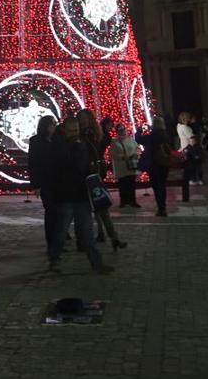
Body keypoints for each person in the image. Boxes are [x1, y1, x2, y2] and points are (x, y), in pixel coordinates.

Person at [47, 117, 113, 273]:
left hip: (81, 194)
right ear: (64, 130)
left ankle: (96, 263)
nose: (74, 134)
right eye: (71, 131)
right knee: (61, 231)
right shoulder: (60, 146)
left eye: (76, 130)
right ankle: (54, 259)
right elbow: (61, 168)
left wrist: (91, 167)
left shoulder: (84, 143)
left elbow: (91, 161)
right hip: (65, 195)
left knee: (87, 231)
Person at [78, 109, 125, 251]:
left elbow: (102, 147)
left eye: (86, 118)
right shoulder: (79, 135)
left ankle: (113, 237)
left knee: (101, 206)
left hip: (94, 174)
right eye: (81, 118)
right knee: (86, 209)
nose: (84, 121)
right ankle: (91, 237)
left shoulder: (96, 134)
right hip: (81, 175)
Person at [28, 115, 60, 252]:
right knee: (50, 211)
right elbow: (33, 163)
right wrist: (36, 185)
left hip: (58, 182)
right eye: (52, 124)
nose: (54, 126)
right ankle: (51, 242)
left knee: (58, 213)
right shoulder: (36, 141)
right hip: (45, 182)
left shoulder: (57, 140)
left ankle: (58, 241)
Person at [141, 119, 174, 217]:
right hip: (164, 163)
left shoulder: (152, 135)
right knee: (162, 186)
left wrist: (140, 131)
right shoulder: (165, 134)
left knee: (156, 186)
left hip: (154, 164)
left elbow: (139, 139)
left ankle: (161, 208)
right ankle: (163, 207)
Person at [109, 124, 141, 207]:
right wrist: (122, 157)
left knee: (131, 184)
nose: (122, 131)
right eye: (120, 130)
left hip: (131, 166)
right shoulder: (114, 141)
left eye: (123, 129)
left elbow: (138, 148)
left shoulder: (130, 139)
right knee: (123, 185)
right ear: (117, 131)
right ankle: (123, 201)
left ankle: (133, 201)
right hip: (121, 167)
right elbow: (112, 154)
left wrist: (135, 154)